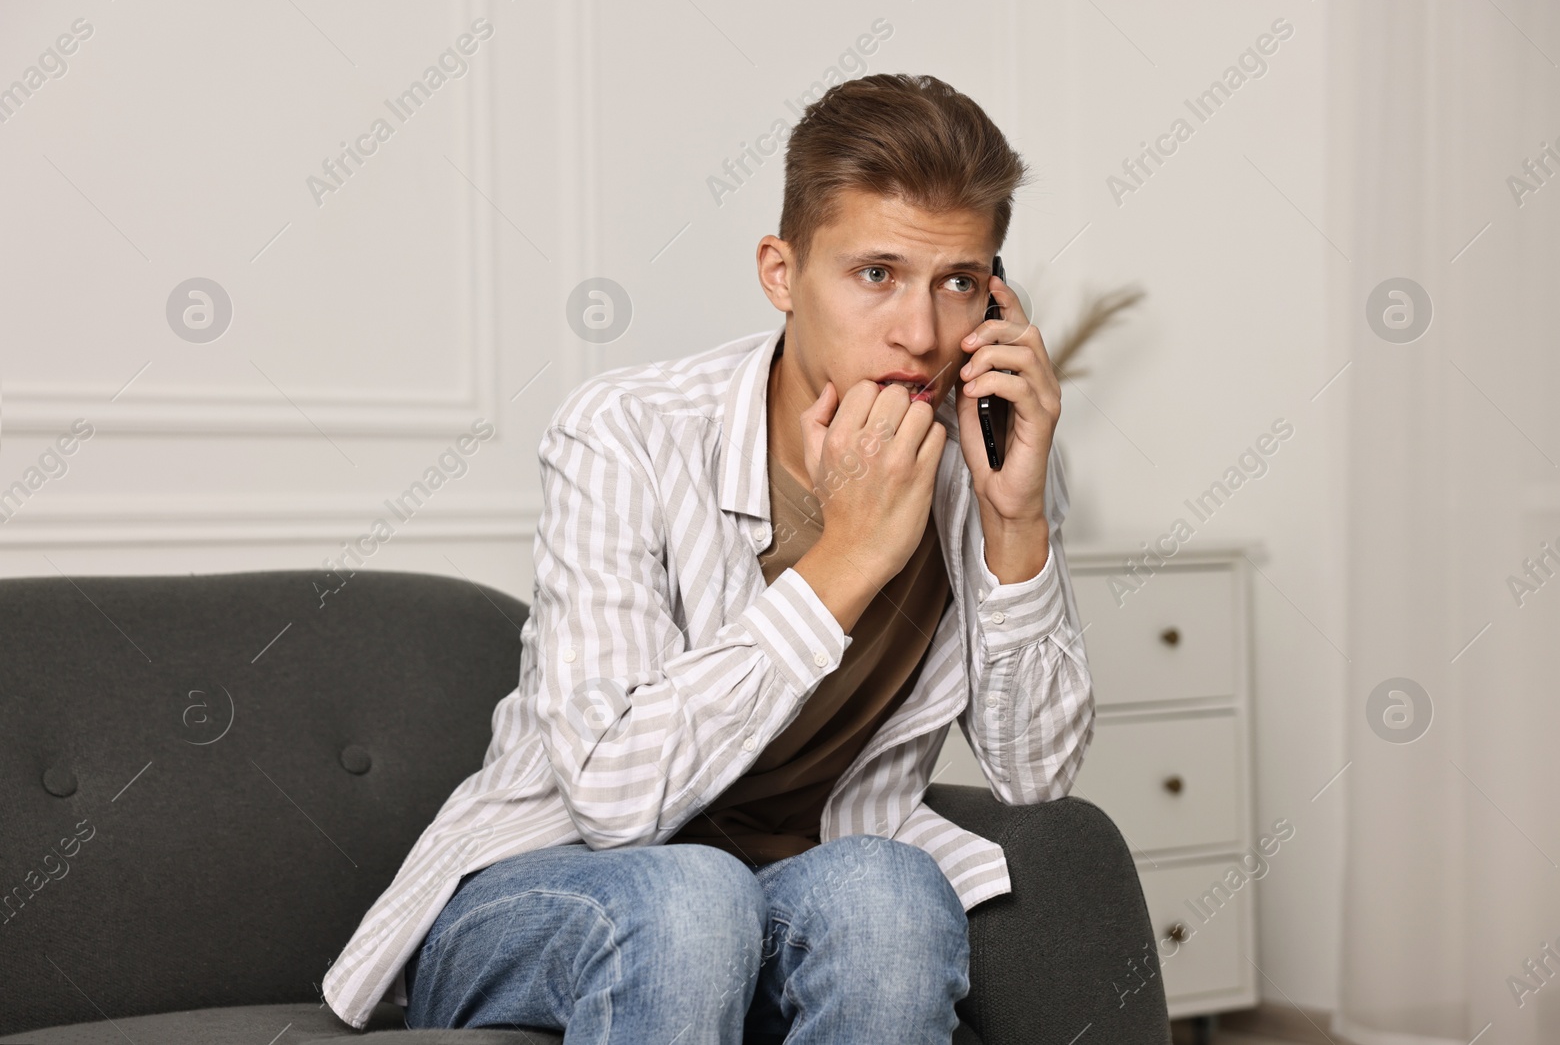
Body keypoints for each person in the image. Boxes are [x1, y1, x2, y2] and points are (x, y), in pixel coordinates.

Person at [320, 72, 1095, 1044]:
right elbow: (613, 799)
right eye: (874, 274)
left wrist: (1015, 518)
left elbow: (1037, 774)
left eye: (959, 282)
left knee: (892, 890)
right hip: (551, 891)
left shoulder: (981, 455)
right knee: (692, 898)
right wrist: (844, 562)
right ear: (780, 271)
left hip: (788, 893)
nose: (921, 332)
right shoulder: (626, 433)